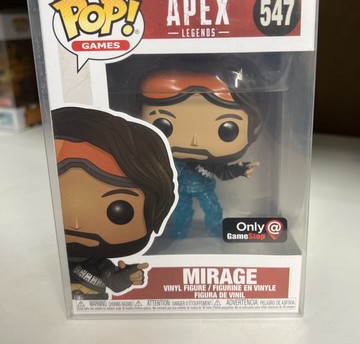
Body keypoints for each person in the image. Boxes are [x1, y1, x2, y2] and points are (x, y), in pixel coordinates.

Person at [135, 55, 266, 238]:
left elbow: (223, 172)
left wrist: (240, 169)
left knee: (213, 209)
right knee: (181, 211)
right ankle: (179, 231)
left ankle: (214, 229)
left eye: (226, 129)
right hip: (180, 191)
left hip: (205, 188)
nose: (194, 141)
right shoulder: (171, 162)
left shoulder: (210, 163)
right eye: (164, 125)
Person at [52, 107, 176, 299]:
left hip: (94, 308)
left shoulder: (99, 265)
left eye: (119, 211)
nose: (76, 224)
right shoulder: (48, 255)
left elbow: (114, 281)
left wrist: (126, 277)